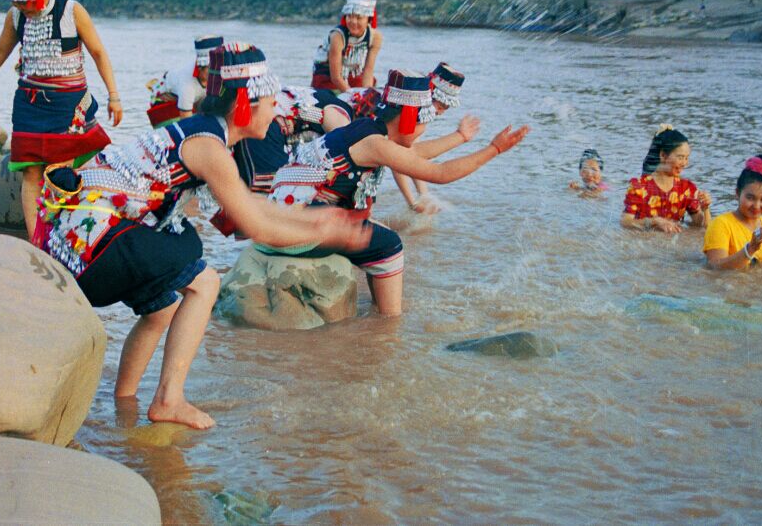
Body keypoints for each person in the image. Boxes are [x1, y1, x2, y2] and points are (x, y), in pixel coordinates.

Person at [34, 43, 370, 429]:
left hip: (74, 233)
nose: (277, 111)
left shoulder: (207, 134)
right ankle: (168, 400)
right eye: (272, 102)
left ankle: (124, 402)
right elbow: (255, 227)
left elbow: (252, 205)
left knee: (162, 308)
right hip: (86, 244)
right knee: (204, 281)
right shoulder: (208, 146)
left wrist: (317, 222)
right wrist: (329, 234)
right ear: (246, 106)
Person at [262, 69, 529, 317]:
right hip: (294, 228)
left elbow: (416, 156)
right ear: (409, 118)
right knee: (390, 244)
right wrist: (494, 149)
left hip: (283, 219)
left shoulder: (368, 130)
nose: (423, 130)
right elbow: (441, 173)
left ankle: (376, 305)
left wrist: (460, 137)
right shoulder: (376, 143)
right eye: (423, 122)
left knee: (372, 230)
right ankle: (389, 321)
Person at [0, 0, 122, 238]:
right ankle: (37, 241)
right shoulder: (15, 16)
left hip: (68, 106)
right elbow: (0, 51)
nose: (21, 5)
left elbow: (98, 52)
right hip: (29, 105)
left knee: (62, 171)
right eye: (15, 1)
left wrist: (114, 96)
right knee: (32, 173)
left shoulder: (71, 11)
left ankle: (67, 233)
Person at [393, 62, 465, 214]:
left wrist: (424, 196)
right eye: (441, 106)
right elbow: (396, 161)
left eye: (447, 108)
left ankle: (423, 196)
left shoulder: (420, 105)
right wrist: (412, 203)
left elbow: (413, 156)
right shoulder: (411, 106)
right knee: (397, 154)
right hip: (357, 116)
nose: (441, 112)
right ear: (432, 95)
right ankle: (413, 204)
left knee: (409, 151)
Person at [621, 125, 712, 232]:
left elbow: (701, 226)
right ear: (663, 155)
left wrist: (705, 208)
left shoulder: (686, 189)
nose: (685, 163)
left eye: (687, 158)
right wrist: (654, 221)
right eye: (680, 157)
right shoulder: (638, 187)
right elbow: (625, 222)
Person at [311, 0, 383, 92]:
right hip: (328, 79)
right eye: (349, 16)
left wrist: (365, 95)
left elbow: (368, 72)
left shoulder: (376, 37)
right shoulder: (338, 37)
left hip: (352, 76)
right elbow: (336, 77)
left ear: (369, 19)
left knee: (370, 90)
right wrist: (353, 97)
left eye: (359, 17)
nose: (353, 21)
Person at [145, 35, 223, 128]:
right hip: (164, 101)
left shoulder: (218, 74)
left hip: (192, 98)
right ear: (200, 67)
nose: (215, 73)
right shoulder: (188, 85)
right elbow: (186, 123)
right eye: (211, 68)